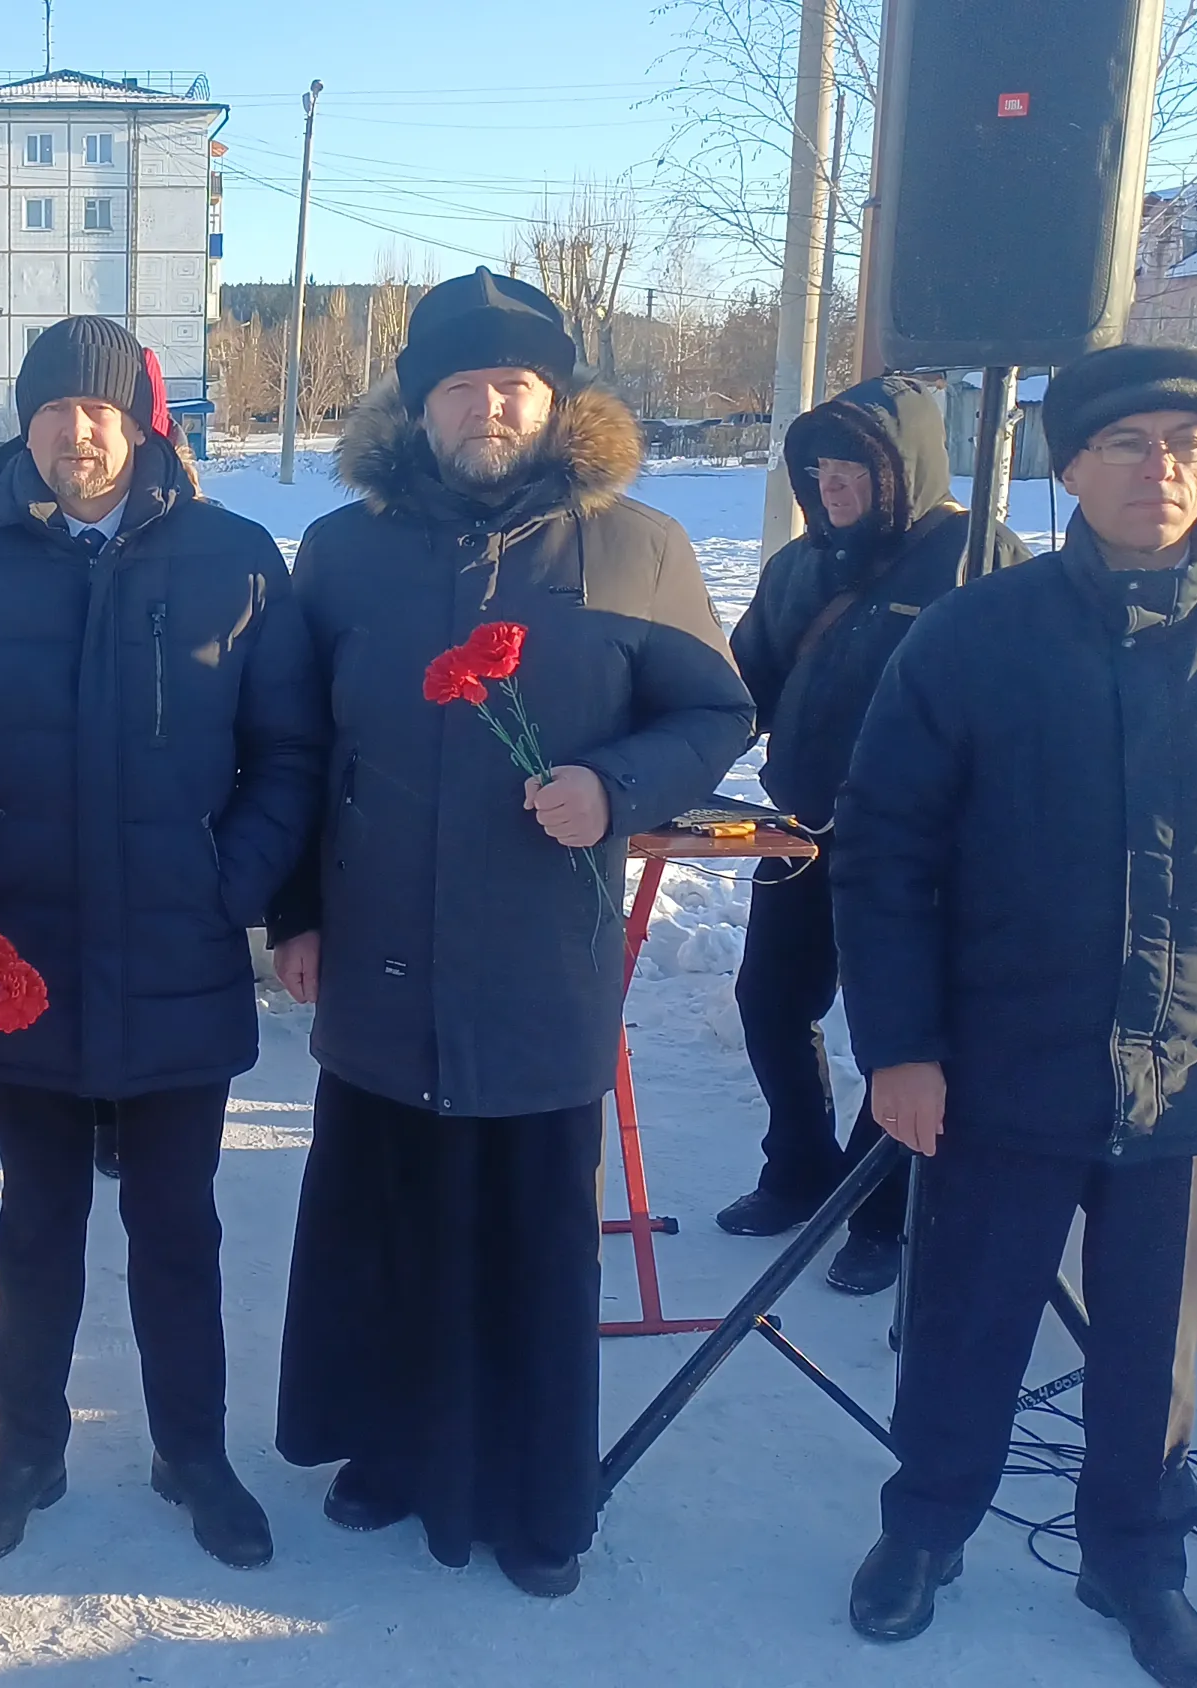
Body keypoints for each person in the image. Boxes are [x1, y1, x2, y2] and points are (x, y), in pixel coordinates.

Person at [831, 344, 1197, 1688]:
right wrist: (903, 1048)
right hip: (998, 1073)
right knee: (969, 1325)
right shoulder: (974, 639)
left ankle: (1137, 1562)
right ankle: (924, 1532)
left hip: (1193, 1079)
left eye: (1189, 445)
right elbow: (886, 852)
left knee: (1152, 1357)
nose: (1160, 468)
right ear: (1072, 466)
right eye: (1129, 443)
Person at [265, 270, 754, 1598]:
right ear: (419, 406)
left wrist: (618, 788)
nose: (489, 405)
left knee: (527, 1229)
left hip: (539, 956)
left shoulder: (637, 545)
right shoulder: (346, 552)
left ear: (556, 400)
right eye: (461, 385)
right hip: (376, 954)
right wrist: (295, 910)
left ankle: (534, 1498)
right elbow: (299, 746)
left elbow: (715, 714)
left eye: (514, 383)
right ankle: (387, 1451)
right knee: (392, 1213)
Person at [0, 316, 323, 1569]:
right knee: (37, 1229)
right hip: (19, 963)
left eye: (104, 408)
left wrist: (220, 880)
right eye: (55, 409)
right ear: (22, 424)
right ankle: (26, 1449)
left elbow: (287, 755)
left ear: (143, 418)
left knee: (179, 1225)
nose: (81, 431)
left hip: (175, 959)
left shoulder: (235, 558)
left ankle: (194, 1449)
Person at [716, 376, 1029, 1296]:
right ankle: (800, 1167)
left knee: (896, 1036)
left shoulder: (978, 562)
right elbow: (742, 686)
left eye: (851, 465)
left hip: (917, 856)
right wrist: (656, 767)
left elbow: (1017, 715)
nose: (831, 483)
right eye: (818, 466)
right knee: (769, 1002)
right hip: (803, 832)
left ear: (903, 470)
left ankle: (880, 1212)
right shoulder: (800, 567)